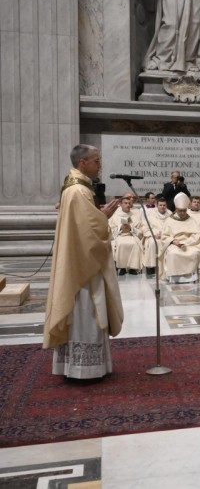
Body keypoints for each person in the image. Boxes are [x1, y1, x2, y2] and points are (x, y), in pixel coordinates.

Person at [43, 144, 124, 380]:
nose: (100, 165)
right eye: (96, 161)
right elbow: (89, 232)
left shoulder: (76, 186)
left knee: (82, 310)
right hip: (83, 267)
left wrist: (98, 214)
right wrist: (104, 217)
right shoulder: (78, 191)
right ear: (83, 163)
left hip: (78, 259)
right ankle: (85, 369)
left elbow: (83, 223)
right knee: (86, 310)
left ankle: (75, 365)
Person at [160, 192, 200, 284]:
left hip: (190, 243)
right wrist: (173, 241)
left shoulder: (191, 220)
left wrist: (188, 241)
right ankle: (175, 277)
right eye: (180, 211)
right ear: (176, 209)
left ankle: (190, 277)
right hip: (174, 244)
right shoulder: (169, 220)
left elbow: (198, 235)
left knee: (195, 252)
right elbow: (164, 236)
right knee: (173, 254)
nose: (182, 213)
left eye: (184, 210)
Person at [108, 195, 144, 276]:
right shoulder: (114, 215)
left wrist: (131, 228)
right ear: (121, 204)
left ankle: (133, 268)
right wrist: (120, 228)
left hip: (132, 235)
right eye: (125, 203)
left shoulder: (135, 216)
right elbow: (109, 229)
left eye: (129, 203)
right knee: (120, 244)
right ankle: (122, 267)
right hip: (119, 236)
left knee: (135, 244)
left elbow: (141, 230)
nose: (128, 205)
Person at [141, 196, 172, 278]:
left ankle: (164, 266)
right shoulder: (150, 214)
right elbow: (145, 227)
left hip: (166, 236)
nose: (162, 207)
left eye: (164, 205)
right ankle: (151, 266)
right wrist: (154, 234)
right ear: (157, 205)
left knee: (168, 243)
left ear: (166, 206)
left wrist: (164, 235)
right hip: (153, 235)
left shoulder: (170, 214)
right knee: (153, 243)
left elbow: (173, 227)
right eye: (160, 205)